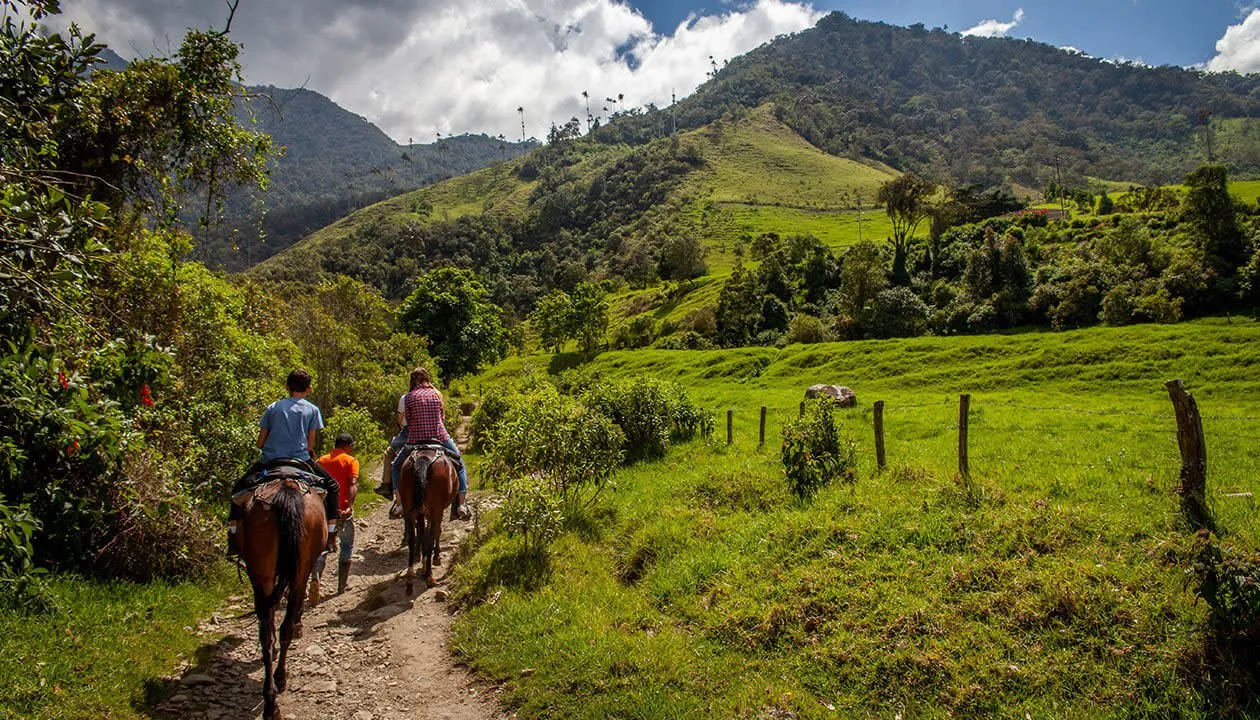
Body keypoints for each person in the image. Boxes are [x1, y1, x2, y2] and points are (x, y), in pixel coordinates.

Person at [227, 369, 340, 556]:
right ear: (309, 389)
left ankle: (232, 538)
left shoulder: (273, 408)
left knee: (237, 490)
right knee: (333, 486)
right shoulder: (312, 410)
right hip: (301, 460)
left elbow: (260, 442)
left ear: (287, 387)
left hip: (270, 461)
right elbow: (310, 444)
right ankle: (331, 535)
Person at [389, 367, 470, 521]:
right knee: (459, 462)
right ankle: (461, 504)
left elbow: (409, 421)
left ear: (412, 380)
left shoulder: (408, 397)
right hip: (439, 436)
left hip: (415, 439)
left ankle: (399, 503)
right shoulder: (437, 394)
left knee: (395, 465)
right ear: (427, 379)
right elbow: (442, 417)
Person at [310, 433, 359, 601]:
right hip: (341, 511)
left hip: (323, 512)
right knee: (346, 545)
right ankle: (341, 586)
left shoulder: (321, 461)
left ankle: (315, 577)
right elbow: (352, 484)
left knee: (321, 546)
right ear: (348, 445)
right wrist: (349, 506)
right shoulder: (350, 461)